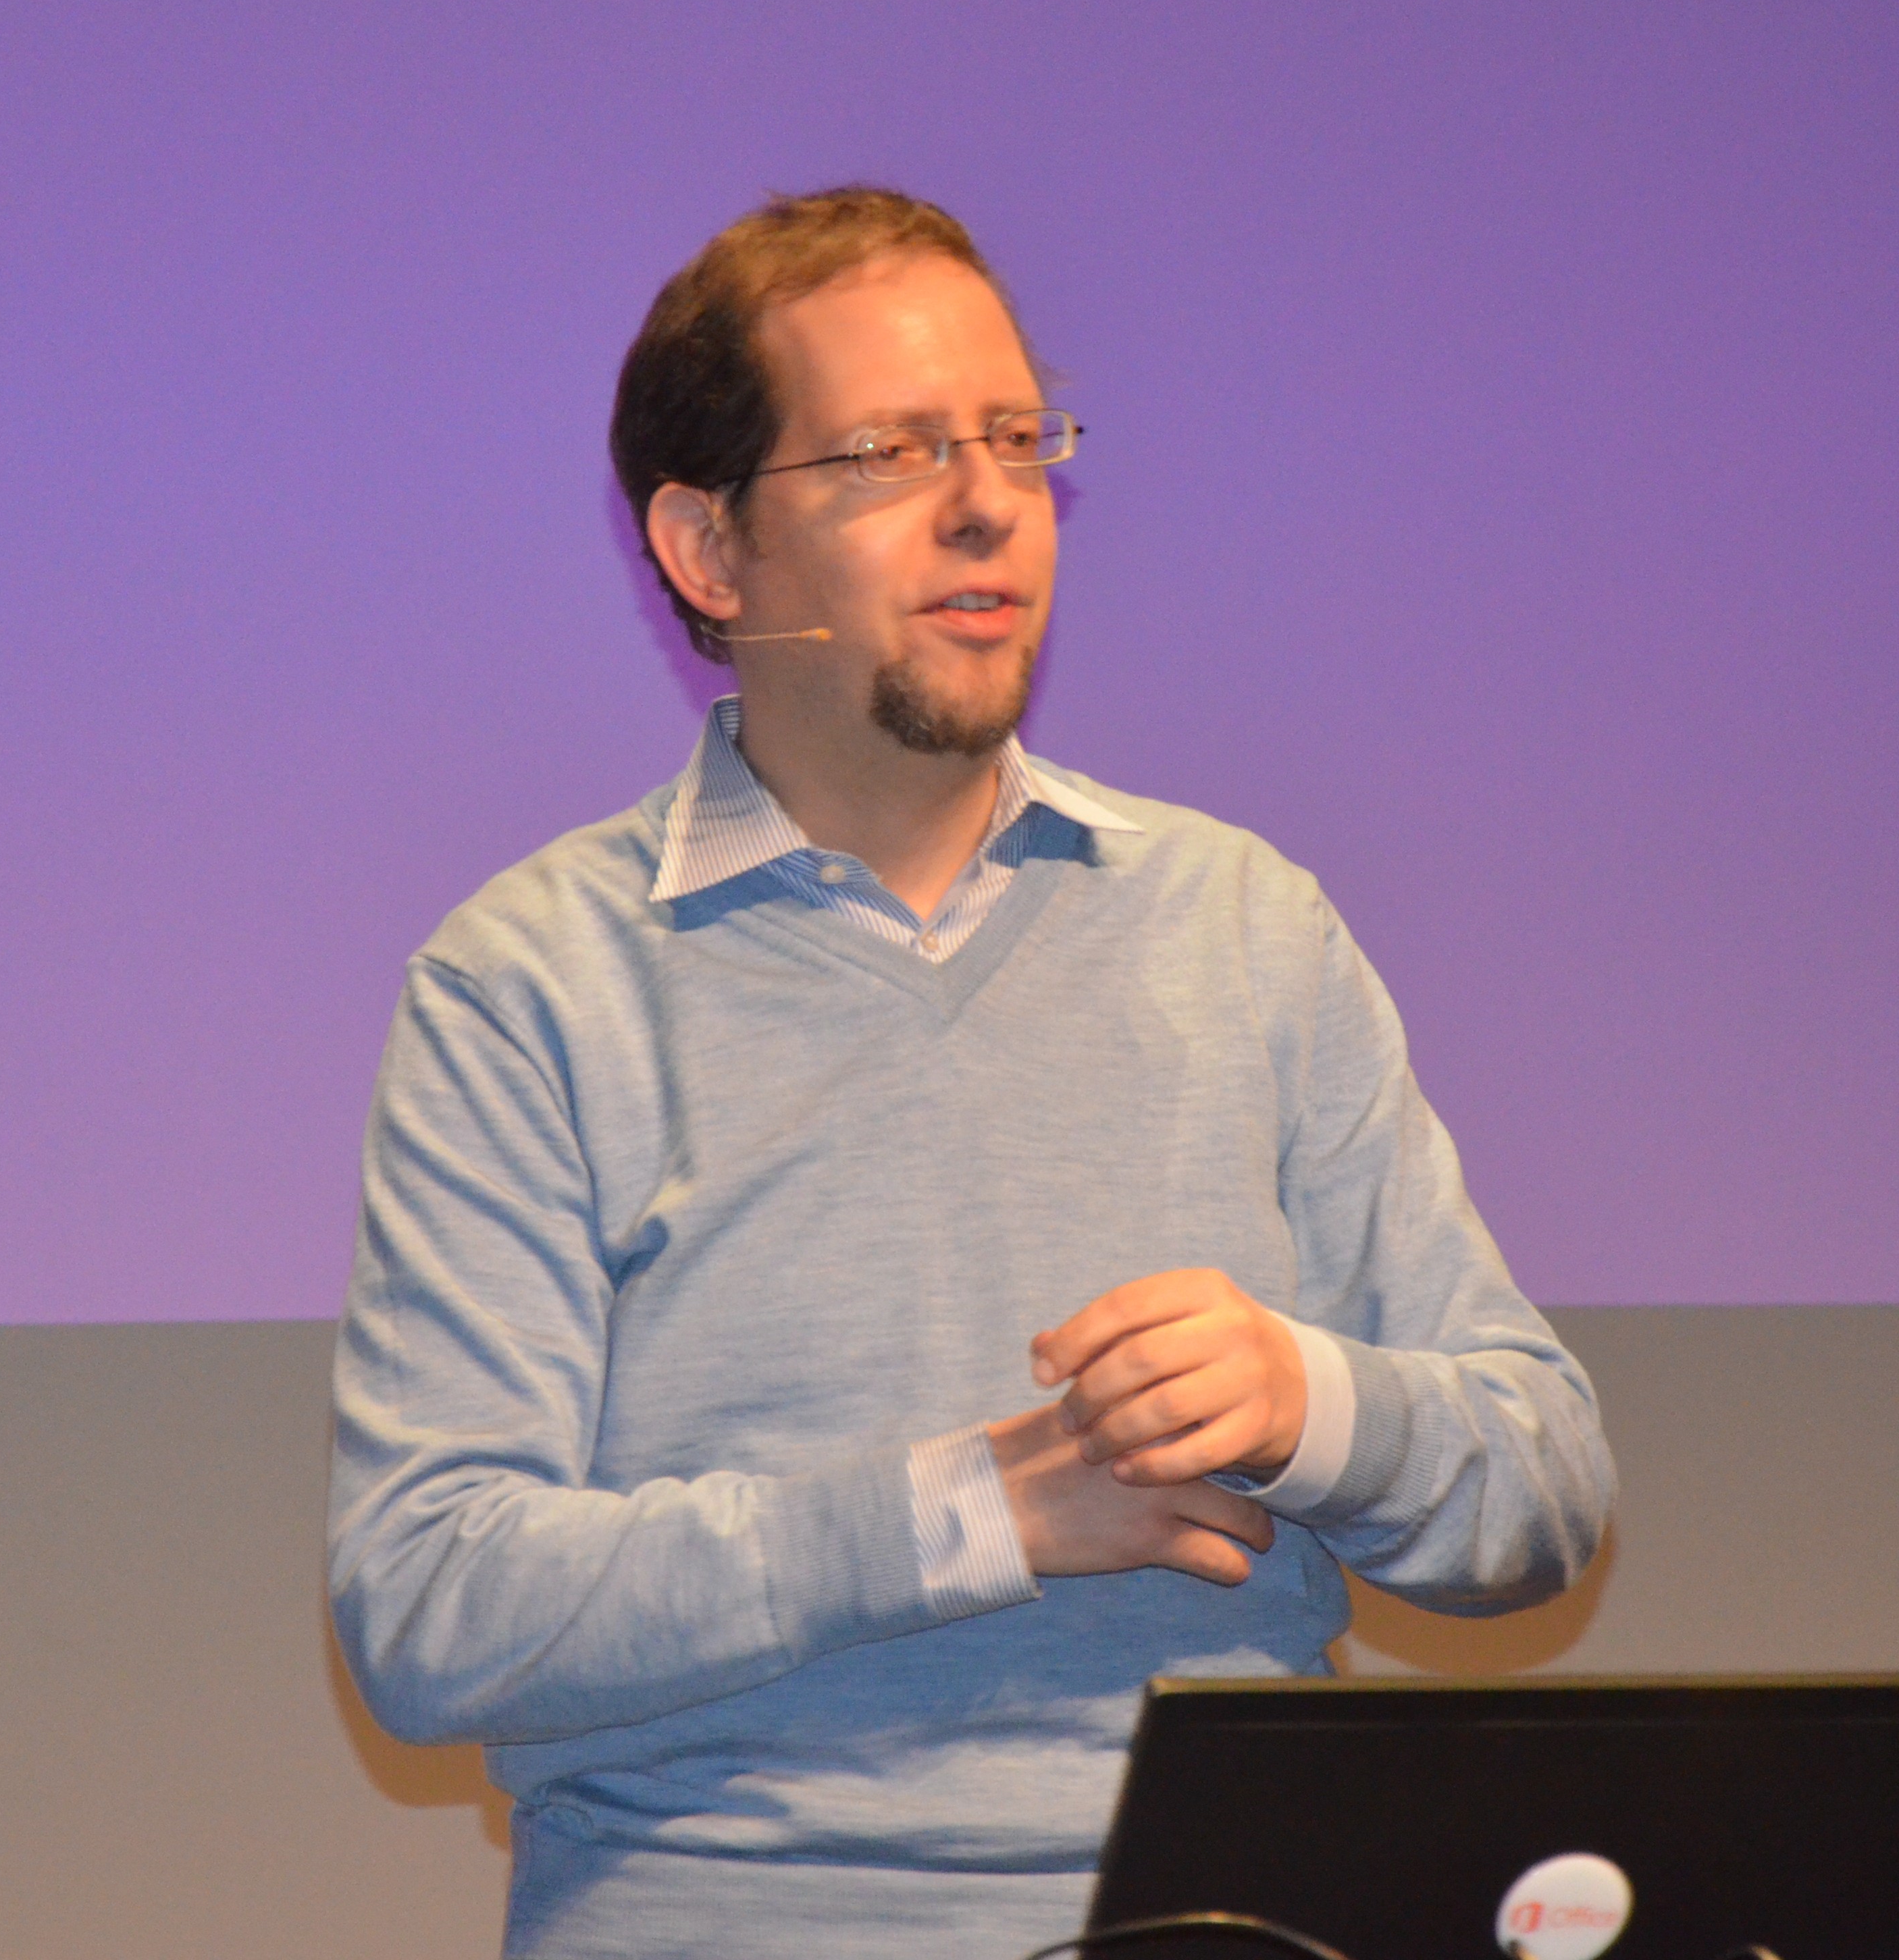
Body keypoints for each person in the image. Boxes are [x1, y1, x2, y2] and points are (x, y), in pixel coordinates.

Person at [327, 186, 1613, 1960]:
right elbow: (430, 1603)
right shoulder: (534, 983)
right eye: (891, 452)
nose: (988, 501)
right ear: (709, 551)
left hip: (1227, 1915)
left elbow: (1544, 1488)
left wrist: (1307, 1402)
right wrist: (967, 1516)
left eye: (1016, 438)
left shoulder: (1244, 922)